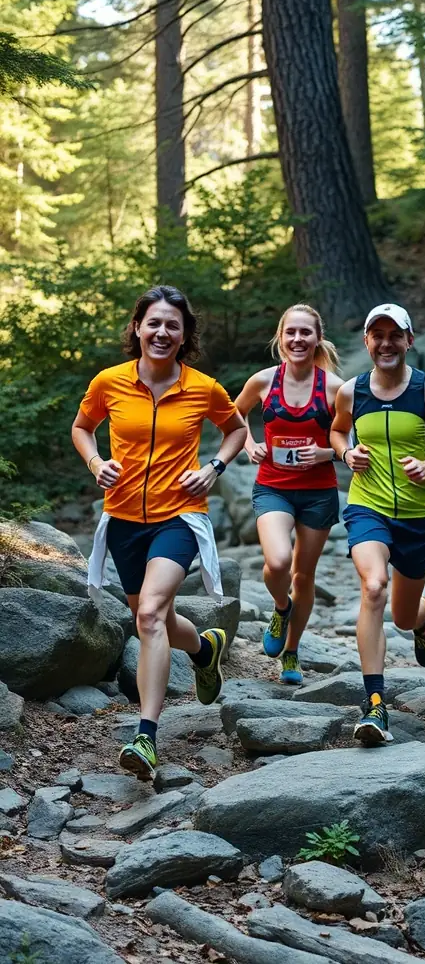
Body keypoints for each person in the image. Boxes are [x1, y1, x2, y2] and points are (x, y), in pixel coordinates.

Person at [72, 286, 247, 781]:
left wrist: (213, 467)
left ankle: (146, 736)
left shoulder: (203, 388)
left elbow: (235, 430)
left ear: (185, 333)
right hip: (124, 519)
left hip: (179, 517)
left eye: (173, 324)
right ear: (137, 328)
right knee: (158, 620)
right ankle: (204, 648)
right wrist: (94, 461)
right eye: (154, 323)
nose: (163, 332)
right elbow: (82, 427)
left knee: (148, 614)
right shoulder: (110, 382)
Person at [330, 303, 425, 746]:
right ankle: (375, 703)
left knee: (404, 615)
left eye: (396, 335)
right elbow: (337, 432)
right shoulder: (351, 392)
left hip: (417, 516)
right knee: (374, 587)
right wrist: (346, 453)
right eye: (378, 335)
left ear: (409, 341)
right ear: (367, 342)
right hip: (366, 506)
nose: (386, 343)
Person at [234, 304, 344, 685]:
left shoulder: (333, 388)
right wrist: (249, 444)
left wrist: (328, 452)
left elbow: (354, 438)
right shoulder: (263, 381)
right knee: (279, 562)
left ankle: (292, 653)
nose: (298, 339)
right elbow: (234, 415)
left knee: (304, 575)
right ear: (281, 338)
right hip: (273, 487)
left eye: (305, 333)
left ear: (317, 339)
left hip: (318, 492)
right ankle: (281, 608)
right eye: (291, 332)